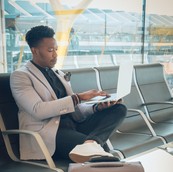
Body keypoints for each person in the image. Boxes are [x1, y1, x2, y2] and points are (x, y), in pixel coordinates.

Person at [10, 25, 127, 163]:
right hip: (50, 134)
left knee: (119, 109)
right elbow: (38, 110)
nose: (55, 54)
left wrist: (97, 107)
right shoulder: (20, 76)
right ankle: (91, 146)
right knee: (102, 155)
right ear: (34, 50)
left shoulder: (57, 74)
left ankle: (90, 143)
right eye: (50, 50)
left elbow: (75, 111)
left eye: (56, 49)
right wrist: (78, 97)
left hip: (73, 126)